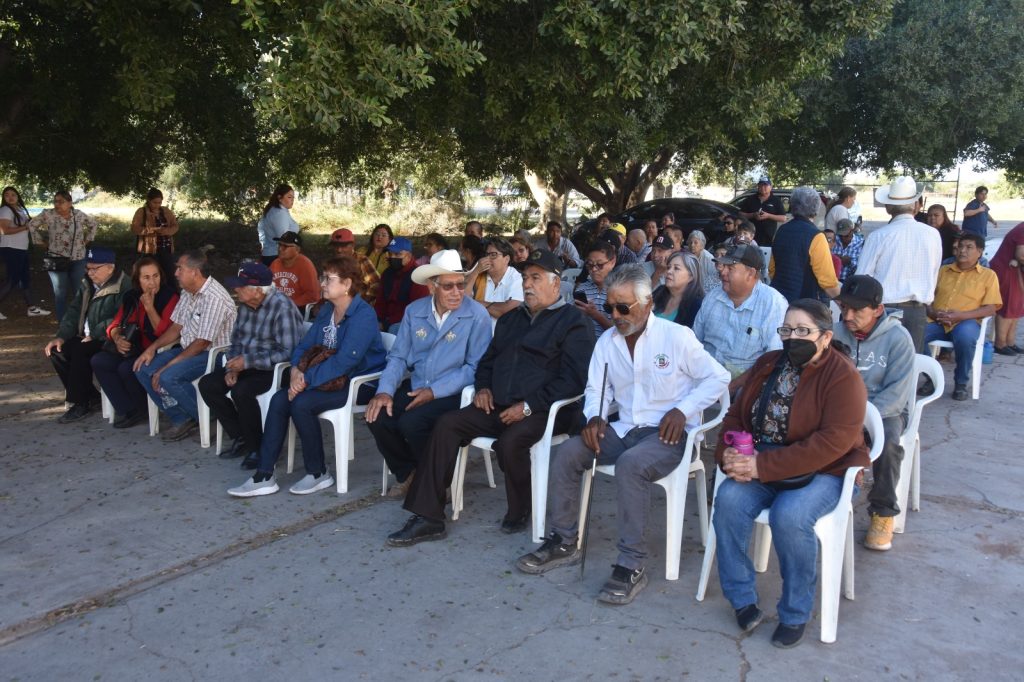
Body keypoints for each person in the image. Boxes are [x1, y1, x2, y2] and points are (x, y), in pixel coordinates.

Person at [516, 264, 729, 605]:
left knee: (631, 464)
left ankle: (631, 564)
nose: (615, 315)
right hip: (625, 427)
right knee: (569, 452)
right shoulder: (607, 342)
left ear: (647, 303)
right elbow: (596, 389)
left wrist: (683, 410)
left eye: (623, 307)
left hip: (668, 436)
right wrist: (595, 417)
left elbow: (718, 378)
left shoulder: (676, 337)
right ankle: (563, 540)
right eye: (610, 307)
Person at [386, 249, 593, 544]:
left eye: (535, 278)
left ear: (556, 283)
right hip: (498, 403)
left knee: (511, 442)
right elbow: (486, 362)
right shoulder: (512, 319)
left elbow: (574, 380)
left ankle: (520, 509)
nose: (527, 284)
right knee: (447, 424)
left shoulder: (574, 321)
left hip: (547, 410)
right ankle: (429, 516)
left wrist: (529, 406)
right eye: (525, 278)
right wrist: (483, 387)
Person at [711, 299, 869, 649]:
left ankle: (795, 611)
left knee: (790, 516)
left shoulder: (843, 377)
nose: (792, 338)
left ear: (825, 337)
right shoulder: (769, 364)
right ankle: (742, 598)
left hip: (827, 469)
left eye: (802, 331)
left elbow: (832, 443)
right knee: (729, 500)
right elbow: (736, 416)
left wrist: (761, 467)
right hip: (764, 459)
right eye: (786, 330)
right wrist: (730, 455)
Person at [228, 256, 387, 497]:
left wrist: (305, 379)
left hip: (360, 382)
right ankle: (264, 474)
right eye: (323, 278)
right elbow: (304, 345)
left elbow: (346, 361)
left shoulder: (363, 315)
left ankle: (318, 472)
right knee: (280, 399)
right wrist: (295, 370)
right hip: (327, 378)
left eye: (328, 279)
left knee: (301, 403)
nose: (322, 283)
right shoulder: (327, 310)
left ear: (346, 284)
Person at [365, 250, 493, 497]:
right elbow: (398, 357)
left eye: (461, 284)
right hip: (418, 384)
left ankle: (435, 484)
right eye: (448, 286)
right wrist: (385, 391)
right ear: (432, 287)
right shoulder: (415, 311)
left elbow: (475, 368)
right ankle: (409, 473)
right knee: (377, 415)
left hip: (454, 391)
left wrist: (434, 392)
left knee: (412, 423)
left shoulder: (477, 315)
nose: (457, 292)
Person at [831, 276, 915, 551]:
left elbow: (896, 395)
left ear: (878, 309)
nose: (848, 316)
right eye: (844, 308)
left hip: (885, 410)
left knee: (888, 442)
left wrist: (860, 422)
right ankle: (822, 497)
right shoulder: (834, 333)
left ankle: (883, 511)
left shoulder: (898, 339)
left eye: (857, 310)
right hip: (841, 408)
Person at [199, 262, 303, 468]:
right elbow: (236, 340)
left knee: (242, 391)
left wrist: (247, 362)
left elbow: (289, 352)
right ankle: (242, 436)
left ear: (258, 290)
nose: (235, 289)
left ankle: (257, 447)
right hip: (246, 365)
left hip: (275, 368)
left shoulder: (282, 307)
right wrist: (232, 368)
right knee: (208, 385)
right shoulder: (246, 306)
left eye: (240, 286)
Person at [133, 249, 236, 442]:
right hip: (190, 349)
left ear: (194, 272)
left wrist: (167, 366)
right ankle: (181, 417)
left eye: (180, 269)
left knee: (168, 376)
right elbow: (175, 328)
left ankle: (209, 418)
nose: (176, 273)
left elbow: (202, 343)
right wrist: (151, 349)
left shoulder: (214, 298)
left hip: (214, 354)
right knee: (142, 368)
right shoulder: (188, 292)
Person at [43, 247, 131, 423]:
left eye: (94, 269)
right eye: (88, 268)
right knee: (57, 350)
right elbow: (74, 311)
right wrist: (61, 336)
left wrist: (96, 333)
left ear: (110, 267)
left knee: (80, 351)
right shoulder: (87, 283)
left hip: (109, 337)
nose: (90, 273)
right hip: (85, 335)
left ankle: (80, 403)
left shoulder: (124, 285)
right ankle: (91, 396)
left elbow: (119, 318)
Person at [856, 176, 942, 352]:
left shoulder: (879, 236)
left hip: (884, 309)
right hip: (917, 310)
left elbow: (862, 277)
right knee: (910, 362)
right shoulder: (932, 234)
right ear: (915, 206)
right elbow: (934, 272)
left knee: (880, 360)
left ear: (888, 207)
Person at [91, 256, 179, 428]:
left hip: (157, 348)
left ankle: (141, 408)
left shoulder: (170, 296)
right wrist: (117, 338)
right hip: (133, 346)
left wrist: (149, 308)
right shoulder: (131, 296)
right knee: (99, 361)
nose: (152, 282)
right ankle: (127, 409)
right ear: (138, 280)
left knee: (127, 368)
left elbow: (164, 332)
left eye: (155, 276)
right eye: (146, 278)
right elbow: (115, 324)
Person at [693, 244, 788, 388]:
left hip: (745, 387)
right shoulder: (713, 296)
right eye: (723, 266)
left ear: (750, 273)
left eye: (730, 268)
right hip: (702, 378)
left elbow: (772, 359)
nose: (722, 271)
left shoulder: (773, 303)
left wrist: (731, 388)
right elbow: (694, 342)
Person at [924, 233, 1002, 400]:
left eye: (969, 247)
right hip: (938, 320)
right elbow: (927, 298)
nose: (962, 251)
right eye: (960, 246)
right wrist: (932, 312)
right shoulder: (943, 270)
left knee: (965, 337)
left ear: (979, 252)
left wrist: (961, 316)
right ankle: (931, 377)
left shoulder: (988, 275)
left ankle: (960, 383)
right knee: (914, 334)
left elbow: (991, 309)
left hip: (966, 322)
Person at [27, 190, 98, 320]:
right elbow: (31, 225)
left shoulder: (78, 215)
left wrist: (86, 241)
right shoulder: (48, 214)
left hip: (78, 259)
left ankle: (80, 322)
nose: (57, 204)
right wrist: (41, 243)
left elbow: (93, 224)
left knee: (78, 292)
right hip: (56, 259)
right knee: (60, 293)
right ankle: (63, 323)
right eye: (55, 201)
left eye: (61, 201)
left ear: (70, 203)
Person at [768, 187, 841, 302]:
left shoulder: (781, 231)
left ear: (792, 206)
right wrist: (844, 305)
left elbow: (772, 270)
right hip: (804, 304)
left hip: (777, 299)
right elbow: (828, 283)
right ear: (816, 209)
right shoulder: (817, 237)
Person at [0, 186, 49, 318]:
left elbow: (27, 227)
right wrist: (25, 227)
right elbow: (4, 231)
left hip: (21, 248)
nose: (10, 197)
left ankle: (31, 308)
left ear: (18, 196)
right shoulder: (5, 210)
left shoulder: (19, 209)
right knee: (12, 280)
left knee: (25, 279)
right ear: (3, 198)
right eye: (7, 195)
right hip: (11, 249)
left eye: (13, 194)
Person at [375, 237, 429, 332]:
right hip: (386, 320)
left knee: (393, 329)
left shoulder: (417, 276)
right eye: (390, 254)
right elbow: (380, 301)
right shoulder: (387, 273)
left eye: (398, 254)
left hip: (408, 321)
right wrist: (376, 320)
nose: (393, 257)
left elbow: (416, 309)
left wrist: (386, 324)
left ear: (409, 256)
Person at [990, 222, 1024, 355]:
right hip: (1006, 269)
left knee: (1017, 307)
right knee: (1009, 306)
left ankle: (1010, 342)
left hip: (1015, 269)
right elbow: (1021, 255)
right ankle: (1000, 344)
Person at [130, 188, 179, 278]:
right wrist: (151, 230)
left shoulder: (166, 211)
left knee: (170, 275)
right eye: (154, 202)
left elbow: (175, 226)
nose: (157, 205)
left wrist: (167, 231)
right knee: (153, 275)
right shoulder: (141, 212)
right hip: (150, 251)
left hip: (167, 249)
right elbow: (134, 228)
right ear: (148, 200)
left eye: (159, 202)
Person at [573, 241, 617, 339]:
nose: (594, 269)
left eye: (600, 264)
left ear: (612, 262)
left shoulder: (620, 291)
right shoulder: (582, 289)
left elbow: (619, 333)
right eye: (590, 265)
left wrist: (595, 315)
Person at [329, 228, 380, 306]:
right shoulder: (333, 262)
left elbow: (376, 284)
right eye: (336, 246)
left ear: (353, 245)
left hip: (359, 305)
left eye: (344, 246)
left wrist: (360, 303)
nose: (339, 250)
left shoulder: (361, 260)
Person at [652, 251, 704, 328]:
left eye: (676, 268)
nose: (669, 271)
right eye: (668, 267)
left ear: (691, 277)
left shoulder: (696, 305)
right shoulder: (660, 291)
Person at [269, 231, 319, 309]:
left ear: (297, 249)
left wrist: (289, 304)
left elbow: (312, 295)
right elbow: (268, 287)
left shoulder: (305, 265)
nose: (280, 249)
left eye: (285, 246)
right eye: (279, 244)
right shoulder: (275, 263)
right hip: (276, 306)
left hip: (297, 307)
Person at [480, 237, 524, 319]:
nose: (487, 259)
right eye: (486, 255)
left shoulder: (516, 278)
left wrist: (477, 304)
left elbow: (508, 312)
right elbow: (464, 301)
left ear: (506, 259)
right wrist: (475, 272)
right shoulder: (479, 276)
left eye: (493, 255)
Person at [256, 184, 299, 266]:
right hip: (277, 256)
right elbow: (284, 238)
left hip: (270, 254)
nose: (292, 200)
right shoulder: (279, 213)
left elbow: (261, 228)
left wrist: (264, 245)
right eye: (289, 197)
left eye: (293, 198)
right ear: (280, 198)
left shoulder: (274, 210)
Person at [737, 175, 786, 246]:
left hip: (768, 238)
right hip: (749, 237)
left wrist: (768, 216)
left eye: (765, 185)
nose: (763, 187)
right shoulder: (750, 199)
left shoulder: (776, 200)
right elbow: (740, 214)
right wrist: (753, 215)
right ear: (758, 186)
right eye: (761, 185)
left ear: (770, 187)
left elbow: (783, 218)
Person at [685, 230, 720, 294]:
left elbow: (714, 279)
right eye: (690, 242)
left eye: (695, 243)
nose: (692, 245)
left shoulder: (709, 258)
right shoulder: (685, 255)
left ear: (702, 245)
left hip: (705, 291)